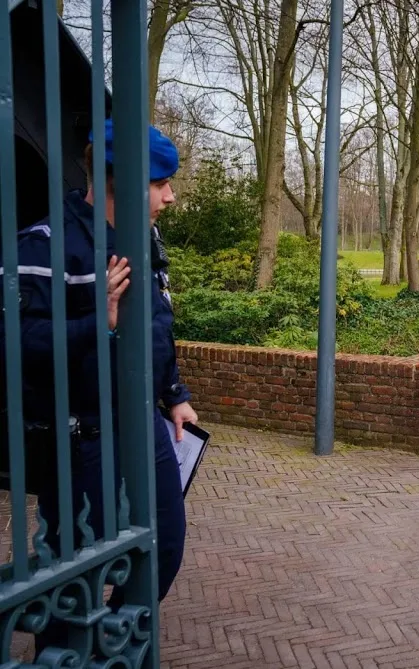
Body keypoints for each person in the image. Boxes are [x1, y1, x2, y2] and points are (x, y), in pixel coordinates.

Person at [17, 119, 197, 649]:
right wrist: (96, 322)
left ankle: (113, 642)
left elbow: (157, 326)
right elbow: (17, 343)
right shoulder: (47, 245)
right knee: (72, 567)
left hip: (143, 422)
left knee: (164, 545)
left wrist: (175, 395)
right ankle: (63, 654)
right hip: (81, 437)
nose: (171, 195)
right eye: (161, 182)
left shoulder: (146, 240)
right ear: (121, 180)